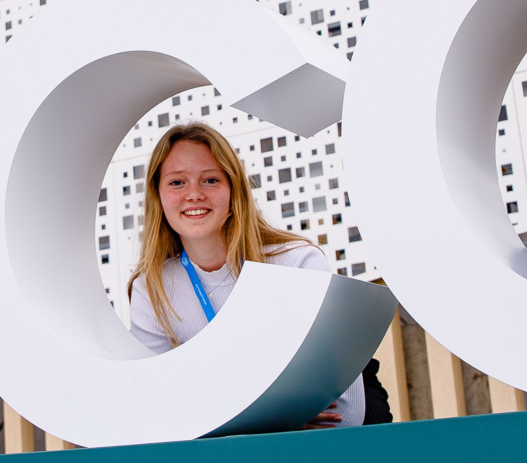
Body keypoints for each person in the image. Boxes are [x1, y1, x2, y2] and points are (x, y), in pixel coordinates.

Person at [128, 122, 365, 426]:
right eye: (177, 183)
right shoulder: (152, 288)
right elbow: (156, 412)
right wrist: (274, 419)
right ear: (157, 196)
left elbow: (345, 413)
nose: (194, 194)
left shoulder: (299, 264)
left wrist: (221, 417)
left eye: (210, 180)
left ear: (233, 190)